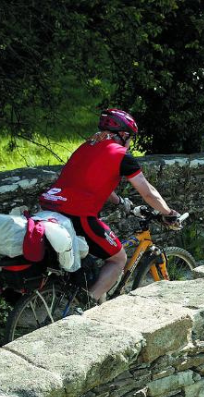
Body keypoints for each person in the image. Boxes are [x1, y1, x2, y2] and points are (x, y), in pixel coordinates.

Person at [39, 109, 180, 302]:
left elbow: (93, 181)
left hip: (51, 209)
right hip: (78, 215)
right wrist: (168, 213)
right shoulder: (120, 155)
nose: (130, 143)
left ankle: (81, 294)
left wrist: (121, 202)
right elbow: (147, 192)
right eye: (130, 138)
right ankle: (85, 307)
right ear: (123, 135)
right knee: (118, 259)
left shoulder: (87, 147)